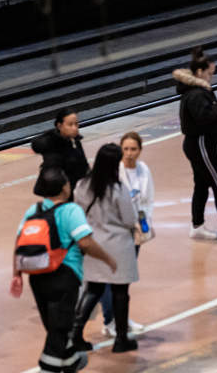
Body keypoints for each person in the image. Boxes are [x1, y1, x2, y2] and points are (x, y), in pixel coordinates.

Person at [15, 166, 117, 373]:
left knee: (55, 327)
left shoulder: (33, 211)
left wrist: (16, 274)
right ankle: (48, 368)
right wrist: (108, 259)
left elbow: (20, 243)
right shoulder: (71, 211)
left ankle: (71, 361)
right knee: (60, 329)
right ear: (64, 188)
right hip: (64, 276)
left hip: (37, 278)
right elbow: (86, 243)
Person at [71, 144, 140, 354]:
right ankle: (121, 339)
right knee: (120, 292)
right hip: (118, 246)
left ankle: (75, 335)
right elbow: (129, 219)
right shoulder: (118, 189)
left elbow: (77, 212)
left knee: (93, 290)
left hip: (93, 244)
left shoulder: (82, 185)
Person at [173, 47, 217, 240]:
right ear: (200, 72)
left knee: (201, 184)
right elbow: (205, 117)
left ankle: (197, 225)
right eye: (210, 73)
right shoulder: (197, 94)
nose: (211, 77)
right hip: (202, 143)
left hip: (199, 143)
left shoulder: (195, 91)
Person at [100, 131, 153, 337]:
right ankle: (109, 320)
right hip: (116, 234)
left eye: (134, 149)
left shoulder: (144, 170)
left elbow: (148, 200)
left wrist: (144, 224)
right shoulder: (115, 173)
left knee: (125, 279)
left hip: (136, 231)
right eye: (126, 149)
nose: (129, 154)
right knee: (111, 278)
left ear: (140, 150)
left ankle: (122, 318)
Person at [32, 108, 90, 186]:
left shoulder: (75, 139)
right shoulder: (51, 144)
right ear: (59, 126)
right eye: (70, 124)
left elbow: (83, 163)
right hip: (63, 190)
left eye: (76, 124)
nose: (74, 128)